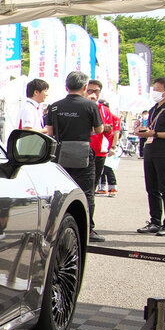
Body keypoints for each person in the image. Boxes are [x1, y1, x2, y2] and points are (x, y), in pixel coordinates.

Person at [46, 71, 107, 242]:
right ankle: (87, 230)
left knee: (60, 192)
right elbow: (99, 129)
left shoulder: (55, 106)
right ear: (85, 87)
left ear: (66, 86)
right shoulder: (90, 105)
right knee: (86, 192)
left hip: (60, 152)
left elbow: (50, 132)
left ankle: (56, 227)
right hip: (82, 152)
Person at [136, 77, 165, 236]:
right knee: (152, 188)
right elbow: (150, 130)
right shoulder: (153, 109)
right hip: (151, 151)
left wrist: (155, 134)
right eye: (154, 88)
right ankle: (155, 221)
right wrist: (143, 132)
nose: (155, 92)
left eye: (158, 89)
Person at [85, 80, 120, 197]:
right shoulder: (81, 106)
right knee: (82, 183)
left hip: (99, 152)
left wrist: (107, 131)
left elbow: (111, 133)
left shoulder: (105, 110)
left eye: (96, 91)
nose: (93, 94)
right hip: (83, 149)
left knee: (93, 184)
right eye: (89, 90)